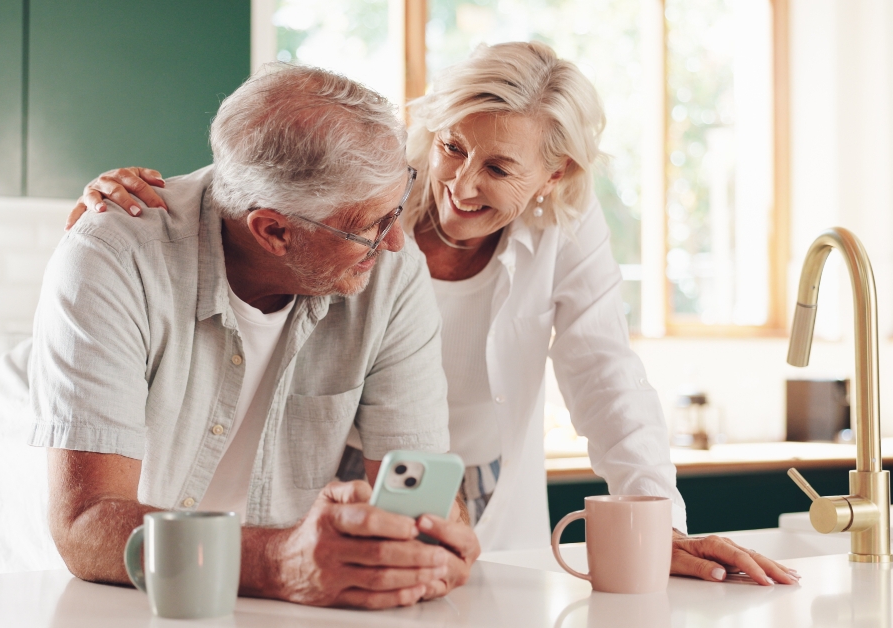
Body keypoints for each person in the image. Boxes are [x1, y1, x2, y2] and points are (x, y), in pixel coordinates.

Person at [71, 42, 799, 586]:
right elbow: (255, 185)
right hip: (306, 468)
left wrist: (652, 521)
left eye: (500, 168)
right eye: (452, 147)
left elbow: (606, 375)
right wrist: (125, 216)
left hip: (455, 478)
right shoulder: (362, 185)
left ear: (556, 173)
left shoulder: (561, 232)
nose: (459, 183)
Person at [0, 63, 481, 609]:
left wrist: (430, 538)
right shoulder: (113, 252)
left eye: (398, 204)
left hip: (213, 552)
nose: (393, 244)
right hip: (26, 523)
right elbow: (87, 525)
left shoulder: (389, 269)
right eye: (369, 228)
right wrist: (280, 561)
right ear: (274, 231)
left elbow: (415, 472)